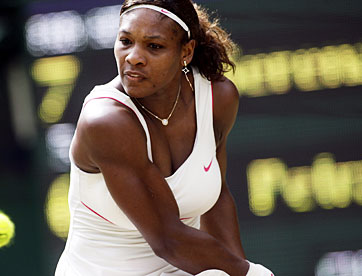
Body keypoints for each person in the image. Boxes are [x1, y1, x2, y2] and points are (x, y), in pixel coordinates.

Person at [55, 1, 274, 275]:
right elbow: (167, 239)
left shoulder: (218, 98)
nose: (133, 57)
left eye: (154, 46)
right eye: (125, 41)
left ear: (186, 51)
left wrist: (240, 271)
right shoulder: (106, 122)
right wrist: (249, 272)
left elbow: (215, 199)